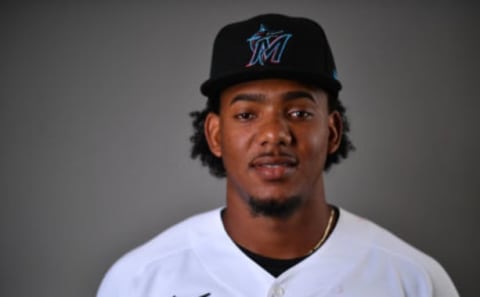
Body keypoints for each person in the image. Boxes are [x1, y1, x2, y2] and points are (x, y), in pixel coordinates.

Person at [97, 14, 459, 297]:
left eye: (299, 113)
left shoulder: (414, 280)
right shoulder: (138, 280)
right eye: (246, 115)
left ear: (332, 131)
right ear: (215, 134)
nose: (274, 134)